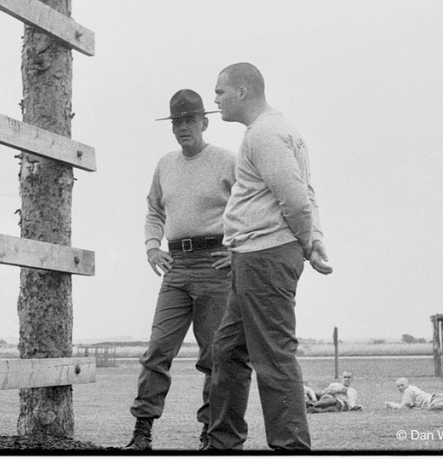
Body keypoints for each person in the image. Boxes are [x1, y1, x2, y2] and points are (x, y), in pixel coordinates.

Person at [205, 63, 333, 451]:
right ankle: (222, 443)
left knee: (273, 359)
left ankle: (291, 447)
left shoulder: (264, 134)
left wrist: (309, 242)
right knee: (227, 352)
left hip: (265, 256)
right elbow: (304, 192)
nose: (215, 100)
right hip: (251, 256)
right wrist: (314, 240)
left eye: (220, 92)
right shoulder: (276, 131)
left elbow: (295, 197)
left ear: (243, 91)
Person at [123, 90, 238, 451]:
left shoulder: (226, 161)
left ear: (205, 122)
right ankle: (142, 433)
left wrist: (237, 250)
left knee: (214, 356)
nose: (183, 127)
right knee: (158, 350)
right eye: (177, 122)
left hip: (215, 265)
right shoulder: (166, 164)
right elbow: (154, 210)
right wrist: (151, 247)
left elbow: (251, 204)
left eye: (190, 120)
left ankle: (210, 434)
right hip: (175, 266)